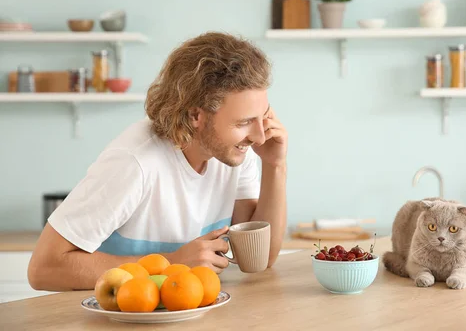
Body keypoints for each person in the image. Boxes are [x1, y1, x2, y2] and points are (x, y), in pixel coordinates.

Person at [27, 32, 288, 291]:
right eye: (243, 122)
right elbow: (44, 269)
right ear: (196, 114)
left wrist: (275, 165)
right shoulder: (134, 163)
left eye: (262, 117)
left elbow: (258, 258)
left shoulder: (234, 152)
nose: (259, 136)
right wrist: (170, 263)